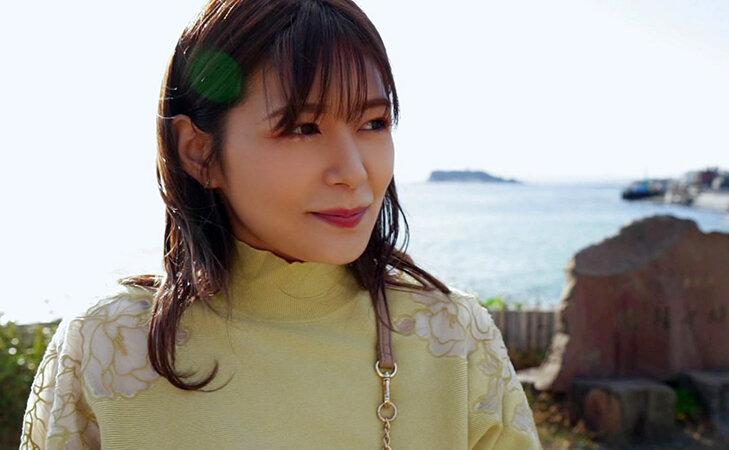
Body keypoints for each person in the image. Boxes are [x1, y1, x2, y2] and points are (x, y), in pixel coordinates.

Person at [18, 0, 543, 448]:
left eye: (373, 123)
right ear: (199, 152)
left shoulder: (454, 338)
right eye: (303, 128)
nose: (353, 172)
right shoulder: (109, 345)